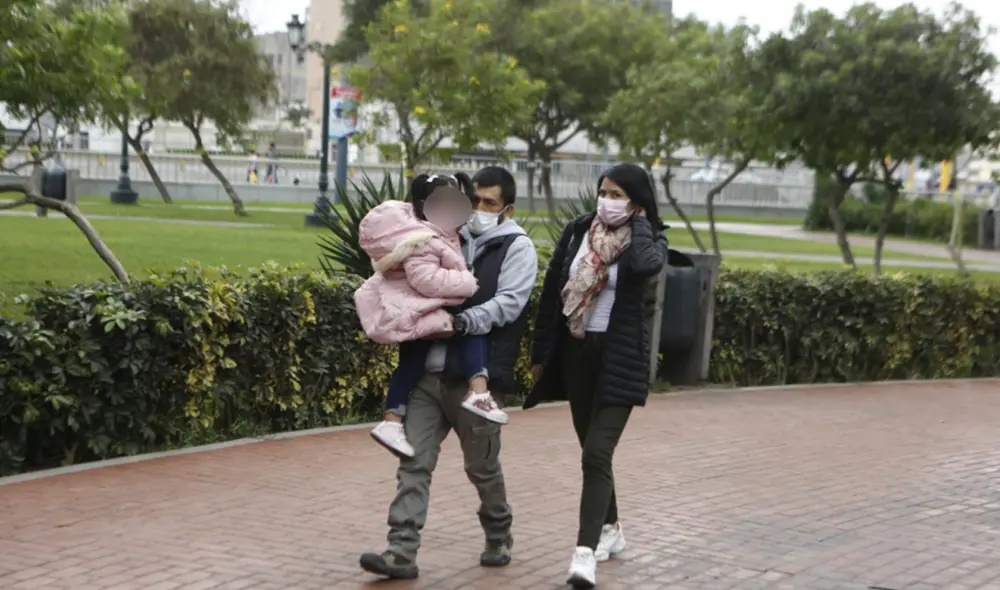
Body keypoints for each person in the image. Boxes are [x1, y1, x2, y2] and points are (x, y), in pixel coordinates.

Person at [359, 166, 537, 580]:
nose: (475, 208)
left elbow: (510, 303)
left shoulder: (515, 247)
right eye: (470, 198)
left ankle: (498, 533)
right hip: (425, 375)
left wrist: (464, 321)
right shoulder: (433, 235)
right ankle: (400, 552)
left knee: (482, 468)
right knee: (413, 464)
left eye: (487, 202)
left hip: (473, 380)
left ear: (506, 209)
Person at [523, 163, 668, 589]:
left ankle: (583, 554)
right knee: (593, 450)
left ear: (637, 202)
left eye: (618, 194)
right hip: (577, 353)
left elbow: (644, 266)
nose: (607, 199)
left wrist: (639, 224)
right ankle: (612, 529)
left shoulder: (651, 239)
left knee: (595, 454)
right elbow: (553, 293)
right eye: (603, 191)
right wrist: (539, 352)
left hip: (620, 357)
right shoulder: (577, 232)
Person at [355, 173, 511, 458]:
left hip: (417, 309)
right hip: (422, 307)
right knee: (469, 325)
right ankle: (478, 391)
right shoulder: (424, 239)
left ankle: (393, 419)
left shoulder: (432, 233)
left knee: (411, 362)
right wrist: (466, 282)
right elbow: (425, 279)